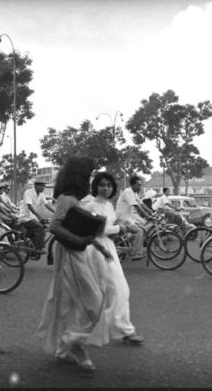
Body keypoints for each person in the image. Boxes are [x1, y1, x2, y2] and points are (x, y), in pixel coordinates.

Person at [37, 156, 106, 372]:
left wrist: (97, 243)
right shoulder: (67, 199)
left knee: (70, 303)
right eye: (88, 176)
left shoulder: (72, 199)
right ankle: (73, 342)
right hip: (69, 255)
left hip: (74, 253)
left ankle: (64, 348)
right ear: (80, 178)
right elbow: (55, 227)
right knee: (93, 302)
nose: (90, 180)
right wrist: (80, 240)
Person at [84, 172, 144, 347]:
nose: (105, 188)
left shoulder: (109, 205)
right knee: (116, 290)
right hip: (97, 250)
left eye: (109, 185)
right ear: (95, 186)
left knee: (115, 290)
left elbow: (113, 221)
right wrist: (121, 228)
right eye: (102, 185)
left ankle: (121, 329)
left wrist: (126, 224)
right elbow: (98, 230)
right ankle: (121, 330)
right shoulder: (90, 206)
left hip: (109, 248)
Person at [115, 175, 154, 261]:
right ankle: (135, 254)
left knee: (142, 228)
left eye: (141, 185)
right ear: (132, 185)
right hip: (122, 218)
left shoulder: (134, 193)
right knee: (139, 231)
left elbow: (141, 204)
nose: (140, 187)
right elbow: (136, 206)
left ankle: (132, 246)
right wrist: (147, 216)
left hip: (128, 218)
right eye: (138, 185)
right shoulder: (128, 192)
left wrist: (151, 212)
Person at [17, 176, 55, 255]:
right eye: (41, 186)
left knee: (44, 228)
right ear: (35, 186)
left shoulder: (41, 194)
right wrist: (39, 217)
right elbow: (30, 206)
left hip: (33, 218)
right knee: (39, 228)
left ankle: (32, 243)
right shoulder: (28, 192)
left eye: (44, 186)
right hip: (25, 217)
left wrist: (56, 212)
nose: (43, 188)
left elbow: (47, 204)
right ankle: (38, 248)